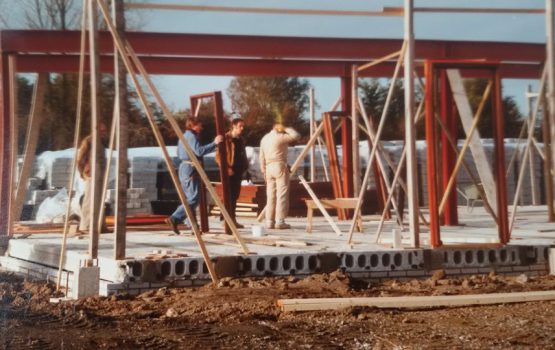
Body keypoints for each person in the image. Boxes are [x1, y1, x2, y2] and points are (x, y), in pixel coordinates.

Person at [165, 117, 223, 235]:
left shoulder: (184, 136)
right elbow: (199, 151)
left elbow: (180, 152)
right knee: (194, 198)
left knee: (189, 198)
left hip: (184, 168)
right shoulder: (191, 136)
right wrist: (215, 143)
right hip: (190, 168)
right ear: (193, 125)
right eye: (199, 125)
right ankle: (174, 218)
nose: (201, 128)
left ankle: (192, 226)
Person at [259, 123, 300, 229]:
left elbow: (261, 157)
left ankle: (269, 221)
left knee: (271, 195)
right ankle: (280, 221)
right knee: (282, 194)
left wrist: (263, 170)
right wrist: (286, 128)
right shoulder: (279, 137)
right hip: (279, 165)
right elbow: (296, 136)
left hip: (268, 167)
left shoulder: (264, 138)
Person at [215, 117, 248, 229]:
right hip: (228, 171)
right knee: (228, 195)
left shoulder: (241, 139)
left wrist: (245, 168)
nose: (242, 128)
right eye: (240, 126)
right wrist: (226, 168)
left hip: (238, 171)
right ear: (233, 126)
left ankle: (232, 219)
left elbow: (243, 154)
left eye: (243, 126)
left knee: (235, 196)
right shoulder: (226, 139)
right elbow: (218, 156)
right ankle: (225, 219)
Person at [76, 123, 108, 234]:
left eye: (105, 131)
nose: (104, 133)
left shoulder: (101, 143)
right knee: (90, 199)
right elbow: (80, 158)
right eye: (102, 131)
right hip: (91, 173)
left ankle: (100, 225)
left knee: (100, 200)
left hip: (100, 174)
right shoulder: (89, 141)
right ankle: (86, 225)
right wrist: (83, 172)